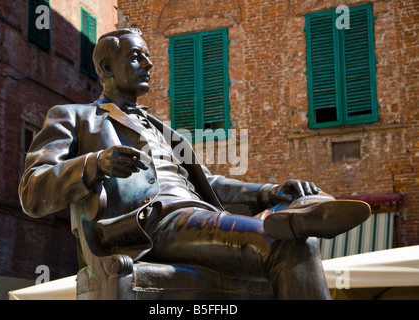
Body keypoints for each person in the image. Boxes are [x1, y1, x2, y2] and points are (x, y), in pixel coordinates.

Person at [19, 28, 370, 299]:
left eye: (149, 57)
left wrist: (268, 191)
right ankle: (287, 221)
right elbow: (32, 190)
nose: (149, 64)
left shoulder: (164, 130)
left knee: (299, 243)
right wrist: (95, 164)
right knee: (285, 242)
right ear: (107, 67)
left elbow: (211, 184)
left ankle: (288, 210)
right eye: (137, 57)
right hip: (150, 222)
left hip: (198, 214)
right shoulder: (75, 117)